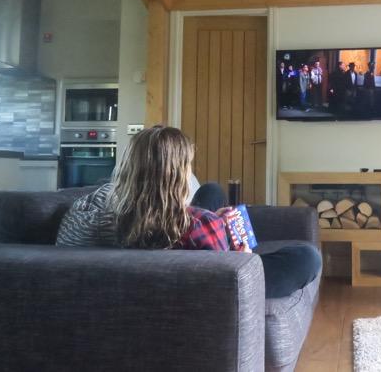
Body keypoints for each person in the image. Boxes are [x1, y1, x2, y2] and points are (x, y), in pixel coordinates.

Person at [56, 126, 321, 297]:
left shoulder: (86, 211)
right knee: (306, 257)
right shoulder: (199, 225)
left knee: (211, 191)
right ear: (176, 175)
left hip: (156, 246)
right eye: (187, 166)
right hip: (202, 269)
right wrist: (244, 257)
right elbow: (225, 275)